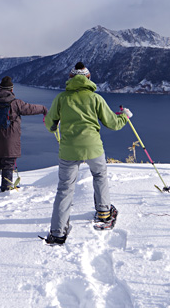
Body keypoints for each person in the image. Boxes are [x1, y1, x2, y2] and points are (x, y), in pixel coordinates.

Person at [43, 62, 132, 245]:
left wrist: (54, 125)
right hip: (93, 147)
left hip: (69, 149)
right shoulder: (95, 98)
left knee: (65, 187)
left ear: (70, 78)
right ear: (88, 78)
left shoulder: (61, 98)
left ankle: (58, 232)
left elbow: (50, 123)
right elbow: (113, 123)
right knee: (99, 176)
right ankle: (104, 213)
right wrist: (125, 116)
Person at [0, 76, 47, 193]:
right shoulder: (15, 103)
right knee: (8, 163)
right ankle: (6, 187)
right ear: (12, 89)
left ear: (0, 88)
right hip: (10, 138)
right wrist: (43, 109)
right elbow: (30, 108)